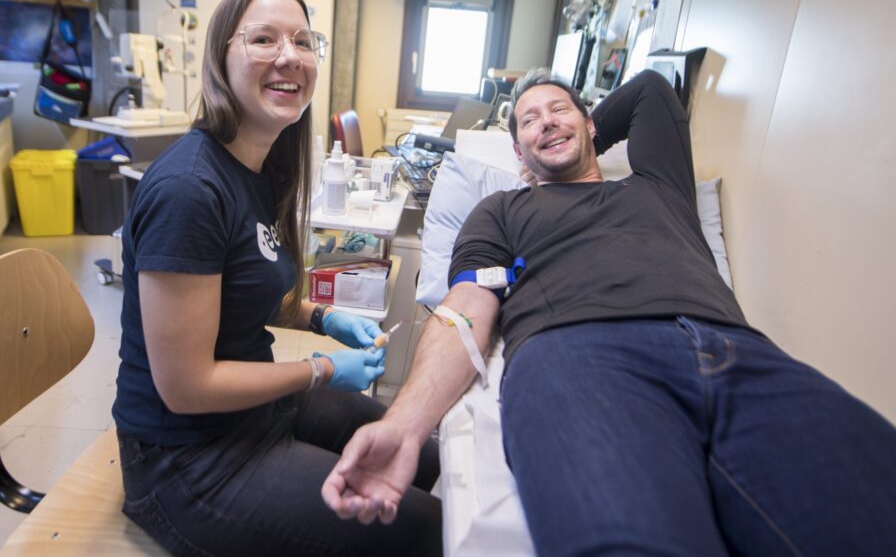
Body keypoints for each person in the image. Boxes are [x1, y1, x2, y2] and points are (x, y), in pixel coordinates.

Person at [322, 68, 896, 555]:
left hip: (733, 349)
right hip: (579, 356)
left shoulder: (660, 186)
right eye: (529, 121)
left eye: (560, 111)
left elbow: (651, 89)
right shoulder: (500, 211)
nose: (547, 122)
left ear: (593, 124)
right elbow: (465, 309)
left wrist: (576, 123)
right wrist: (405, 424)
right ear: (517, 153)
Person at [112, 0, 442, 557]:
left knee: (424, 457)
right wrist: (320, 369)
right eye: (263, 39)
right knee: (428, 530)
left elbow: (243, 290)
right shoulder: (189, 190)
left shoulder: (258, 168)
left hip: (251, 414)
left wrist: (321, 317)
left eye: (303, 41)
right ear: (221, 60)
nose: (289, 56)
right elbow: (186, 386)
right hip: (188, 460)